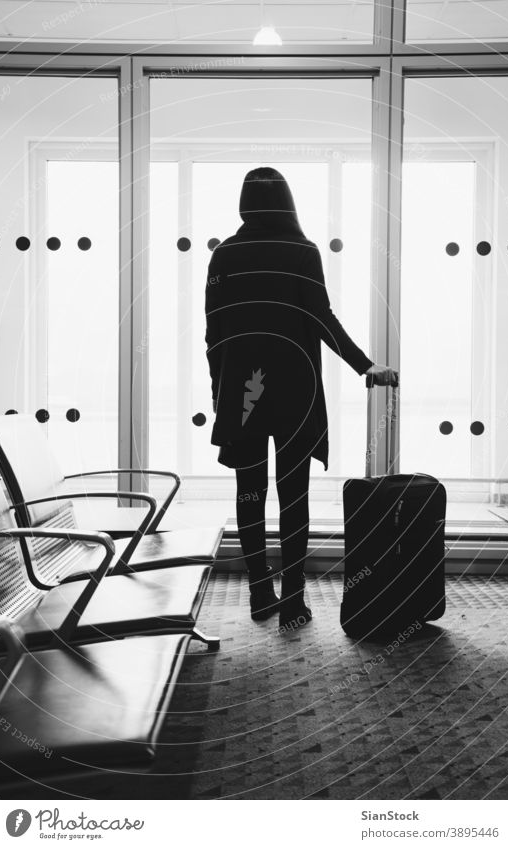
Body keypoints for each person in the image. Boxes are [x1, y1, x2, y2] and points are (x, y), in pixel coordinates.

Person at [205, 167, 398, 631]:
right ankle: (293, 599)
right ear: (288, 203)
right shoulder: (302, 251)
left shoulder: (224, 254)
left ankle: (258, 592)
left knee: (250, 493)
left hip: (244, 390)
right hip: (296, 389)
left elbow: (214, 332)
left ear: (243, 204)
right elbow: (321, 317)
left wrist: (221, 394)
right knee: (294, 495)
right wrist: (364, 365)